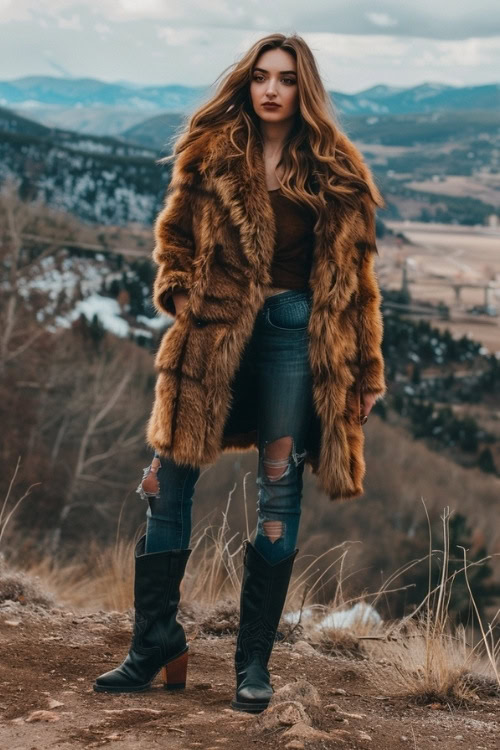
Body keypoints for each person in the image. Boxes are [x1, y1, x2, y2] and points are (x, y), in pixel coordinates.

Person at [93, 32, 387, 713]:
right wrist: (178, 293)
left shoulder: (336, 170)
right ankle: (155, 644)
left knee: (278, 491)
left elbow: (359, 281)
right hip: (213, 333)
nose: (271, 88)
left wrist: (366, 371)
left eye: (285, 77)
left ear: (302, 87)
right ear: (247, 83)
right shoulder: (211, 150)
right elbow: (174, 237)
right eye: (261, 76)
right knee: (167, 483)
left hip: (292, 334)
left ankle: (252, 662)